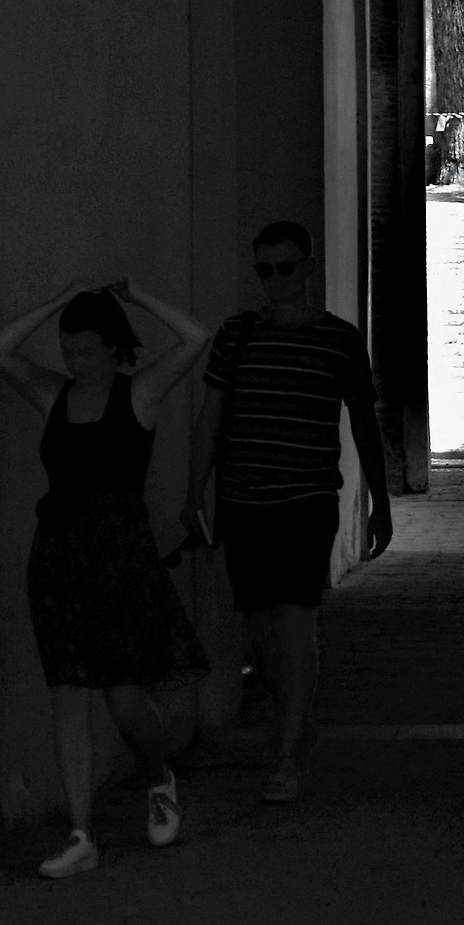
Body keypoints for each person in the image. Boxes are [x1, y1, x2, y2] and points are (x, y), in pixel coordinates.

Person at [0, 278, 212, 879]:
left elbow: (196, 337)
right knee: (67, 695)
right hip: (59, 560)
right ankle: (81, 833)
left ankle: (159, 775)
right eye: (68, 350)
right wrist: (56, 300)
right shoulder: (53, 396)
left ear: (115, 348)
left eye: (87, 350)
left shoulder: (139, 393)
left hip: (122, 564)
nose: (75, 361)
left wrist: (138, 296)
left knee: (125, 702)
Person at [183, 221, 393, 804]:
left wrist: (379, 499)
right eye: (264, 269)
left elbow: (364, 422)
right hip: (243, 502)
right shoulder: (237, 334)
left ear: (306, 267)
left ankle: (284, 757)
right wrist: (193, 488)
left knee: (296, 621)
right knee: (257, 634)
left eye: (285, 267)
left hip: (305, 502)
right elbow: (211, 418)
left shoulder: (340, 340)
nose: (274, 279)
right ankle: (297, 726)